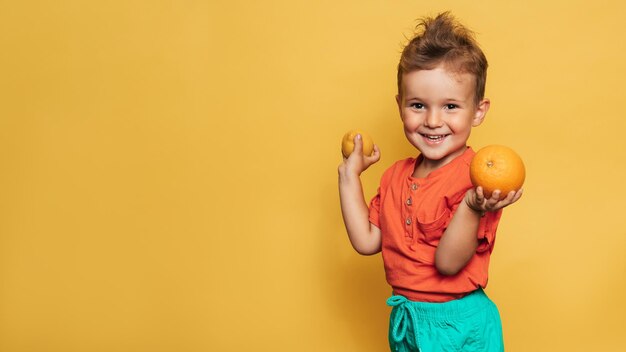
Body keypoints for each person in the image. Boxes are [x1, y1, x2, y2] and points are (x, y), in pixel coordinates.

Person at [338, 12, 523, 351]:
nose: (433, 121)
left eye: (451, 106)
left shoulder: (478, 180)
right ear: (400, 106)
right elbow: (366, 241)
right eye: (418, 105)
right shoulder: (395, 176)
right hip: (408, 320)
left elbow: (448, 264)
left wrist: (471, 206)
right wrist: (349, 176)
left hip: (460, 325)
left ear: (478, 112)